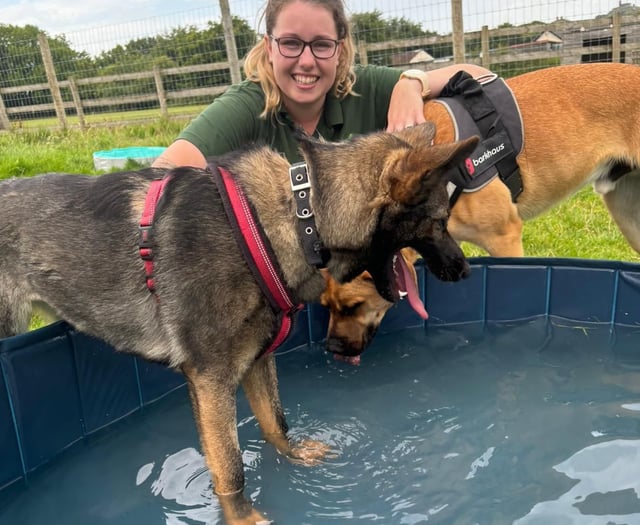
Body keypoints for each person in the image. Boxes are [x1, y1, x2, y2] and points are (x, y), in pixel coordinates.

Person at [152, 0, 491, 169]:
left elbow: (480, 76)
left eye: (321, 44)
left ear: (339, 48)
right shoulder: (247, 105)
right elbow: (162, 174)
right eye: (290, 43)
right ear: (269, 46)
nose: (307, 61)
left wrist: (412, 82)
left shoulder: (363, 88)